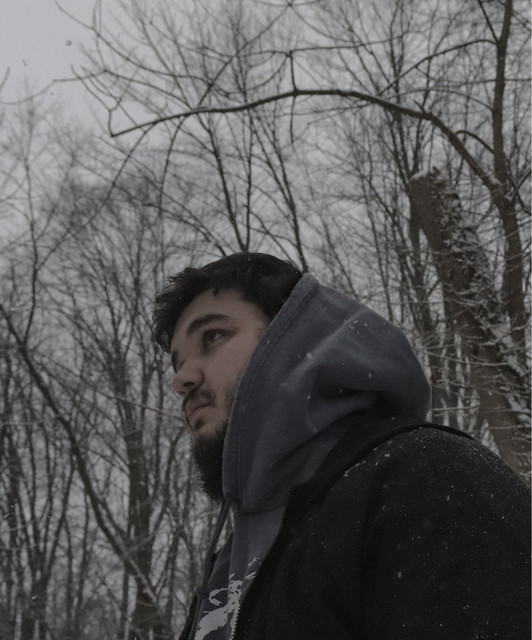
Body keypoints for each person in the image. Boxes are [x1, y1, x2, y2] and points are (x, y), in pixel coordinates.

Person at [152, 252, 530, 640]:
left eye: (212, 336)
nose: (181, 380)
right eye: (178, 363)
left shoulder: (426, 476)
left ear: (292, 335)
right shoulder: (227, 565)